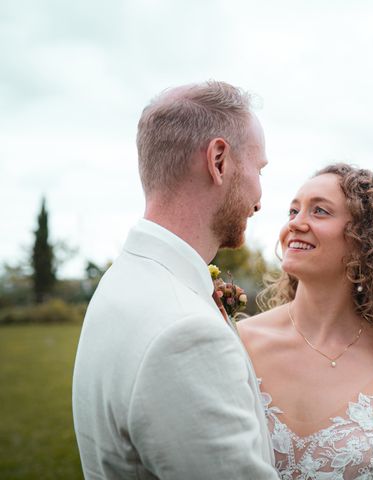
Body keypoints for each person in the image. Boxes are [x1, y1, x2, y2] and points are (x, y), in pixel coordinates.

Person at [72, 81, 279, 479]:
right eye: (259, 169)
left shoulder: (125, 279)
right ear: (219, 160)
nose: (259, 198)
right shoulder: (185, 334)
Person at [238, 163, 373, 479]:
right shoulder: (239, 342)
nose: (296, 224)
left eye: (319, 211)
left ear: (362, 240)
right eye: (293, 211)